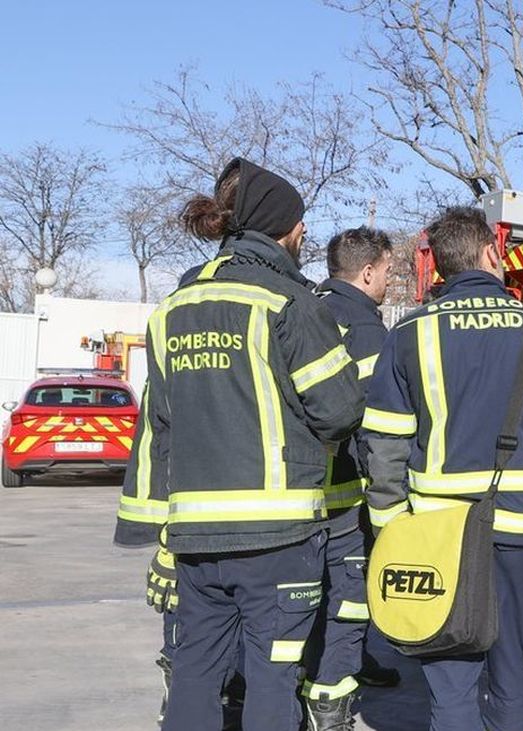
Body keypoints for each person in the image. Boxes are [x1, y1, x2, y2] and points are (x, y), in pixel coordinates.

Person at [121, 157, 364, 731]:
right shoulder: (288, 301)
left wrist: (159, 537)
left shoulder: (173, 308)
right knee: (272, 680)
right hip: (278, 538)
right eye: (300, 224)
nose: (303, 234)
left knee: (195, 673)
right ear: (282, 228)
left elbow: (157, 427)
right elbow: (339, 411)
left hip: (195, 542)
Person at [361, 206, 523, 731]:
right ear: (491, 251)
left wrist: (391, 528)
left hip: (438, 537)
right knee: (516, 682)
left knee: (450, 688)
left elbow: (385, 445)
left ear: (441, 264)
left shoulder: (410, 334)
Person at [301, 227, 397, 729]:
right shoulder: (366, 330)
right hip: (344, 493)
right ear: (367, 271)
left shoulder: (303, 309)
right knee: (349, 600)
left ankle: (346, 664)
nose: (389, 281)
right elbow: (373, 428)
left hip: (291, 490)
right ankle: (331, 697)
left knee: (304, 596)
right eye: (388, 271)